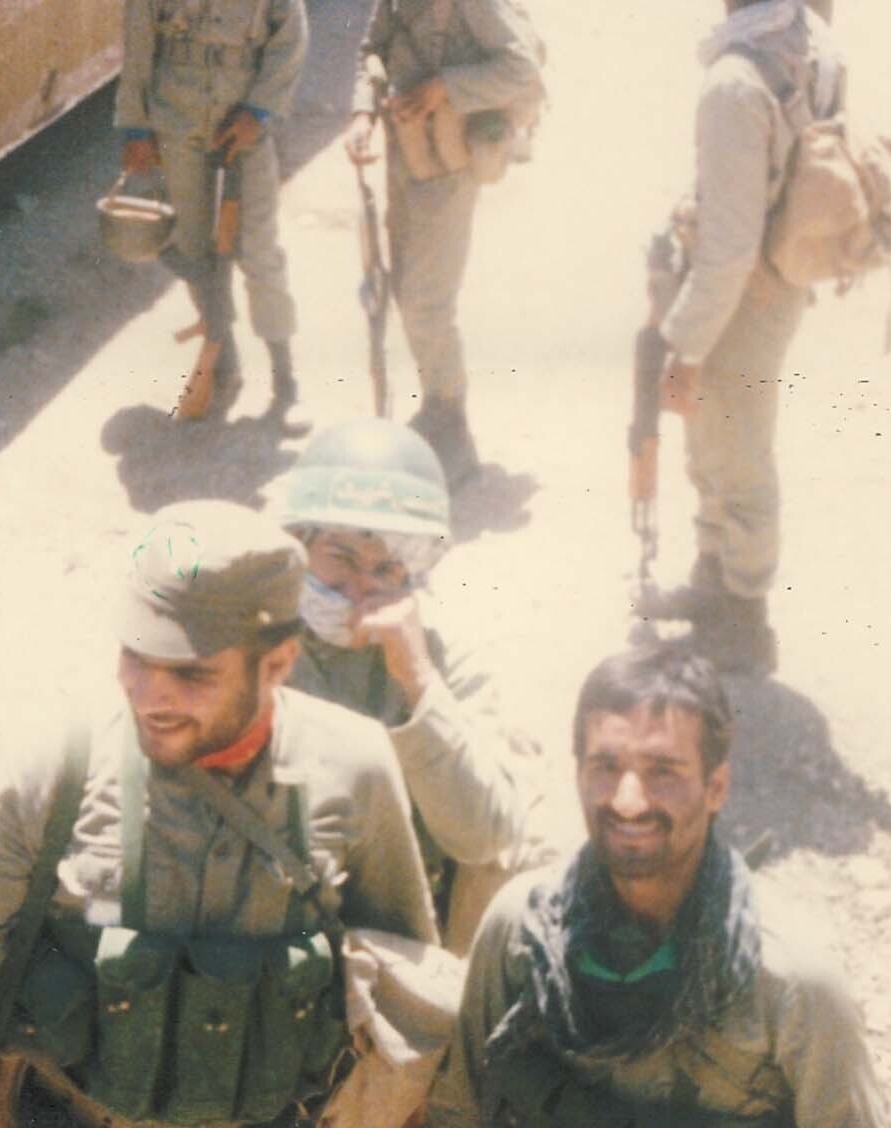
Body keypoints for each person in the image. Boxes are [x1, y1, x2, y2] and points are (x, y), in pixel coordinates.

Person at [0, 499, 438, 1128]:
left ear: (278, 664)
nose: (151, 697)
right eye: (136, 657)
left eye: (191, 674)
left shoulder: (354, 767)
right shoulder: (54, 761)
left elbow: (405, 990)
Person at [427, 644, 890, 1127]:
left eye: (662, 771)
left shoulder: (791, 979)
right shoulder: (524, 931)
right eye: (606, 767)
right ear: (578, 774)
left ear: (716, 788)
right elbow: (458, 1109)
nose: (628, 802)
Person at [275, 418, 562, 952]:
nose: (360, 588)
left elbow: (483, 837)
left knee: (526, 843)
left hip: (407, 914)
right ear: (298, 545)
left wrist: (418, 681)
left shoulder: (442, 652)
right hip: (284, 906)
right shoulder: (257, 634)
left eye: (386, 569)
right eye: (341, 558)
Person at [638, 0, 846, 675]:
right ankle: (713, 580)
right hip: (777, 275)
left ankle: (744, 617)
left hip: (741, 294)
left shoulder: (735, 80)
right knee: (717, 443)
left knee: (737, 455)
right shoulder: (805, 35)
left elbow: (728, 251)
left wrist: (685, 348)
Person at [343, 0, 544, 488]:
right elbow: (372, 50)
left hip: (449, 165)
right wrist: (363, 113)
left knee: (427, 304)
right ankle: (436, 405)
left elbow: (521, 68)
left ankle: (452, 426)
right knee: (407, 294)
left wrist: (445, 88)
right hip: (406, 155)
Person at [117, 0, 309, 427]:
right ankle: (222, 362)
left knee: (259, 250)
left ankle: (285, 382)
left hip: (245, 126)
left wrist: (258, 111)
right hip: (177, 121)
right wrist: (136, 128)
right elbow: (138, 47)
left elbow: (291, 38)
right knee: (194, 249)